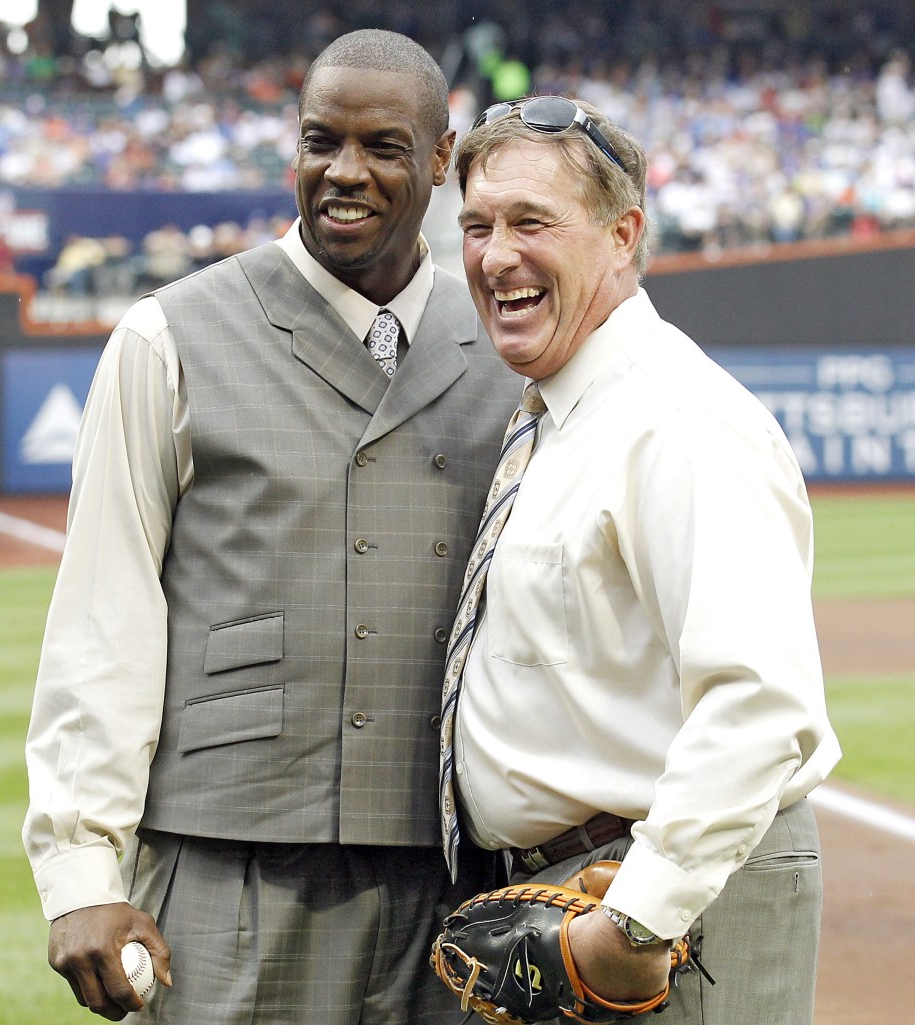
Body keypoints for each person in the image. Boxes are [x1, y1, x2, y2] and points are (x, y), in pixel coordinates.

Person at [22, 29, 519, 1025]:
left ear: (439, 160)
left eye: (382, 146)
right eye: (318, 141)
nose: (343, 172)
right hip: (229, 869)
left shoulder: (512, 349)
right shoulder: (169, 333)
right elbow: (102, 611)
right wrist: (80, 864)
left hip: (457, 879)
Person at [440, 95, 842, 1024]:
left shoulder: (678, 419)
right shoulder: (559, 412)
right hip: (577, 893)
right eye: (478, 226)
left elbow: (758, 702)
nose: (496, 257)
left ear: (623, 235)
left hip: (667, 899)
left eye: (531, 221)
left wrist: (633, 925)